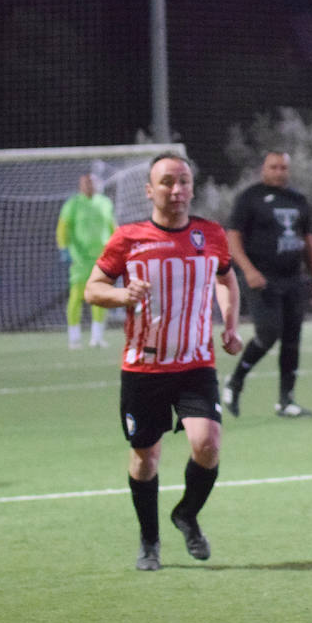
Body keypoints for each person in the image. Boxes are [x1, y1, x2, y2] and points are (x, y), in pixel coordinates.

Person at [84, 152, 243, 571]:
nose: (177, 190)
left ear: (192, 187)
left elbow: (226, 278)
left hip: (196, 364)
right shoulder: (129, 238)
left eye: (184, 182)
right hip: (144, 369)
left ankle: (186, 514)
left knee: (207, 444)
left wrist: (229, 324)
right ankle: (149, 541)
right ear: (150, 190)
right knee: (145, 458)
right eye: (168, 182)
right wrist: (121, 295)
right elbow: (93, 288)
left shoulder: (210, 234)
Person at [222, 150, 312, 418]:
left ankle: (286, 400)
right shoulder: (250, 198)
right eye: (273, 167)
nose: (279, 172)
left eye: (283, 167)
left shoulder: (298, 200)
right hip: (262, 279)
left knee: (292, 339)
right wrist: (248, 270)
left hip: (292, 279)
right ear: (263, 169)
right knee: (268, 333)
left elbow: (308, 240)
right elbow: (232, 238)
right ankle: (235, 382)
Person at [56, 173, 116, 349]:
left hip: (102, 259)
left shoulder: (105, 203)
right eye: (85, 183)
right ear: (80, 185)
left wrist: (118, 248)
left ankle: (97, 337)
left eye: (91, 183)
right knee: (76, 296)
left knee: (101, 297)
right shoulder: (73, 204)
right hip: (80, 259)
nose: (88, 186)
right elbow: (63, 227)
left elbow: (113, 226)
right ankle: (74, 338)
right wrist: (64, 248)